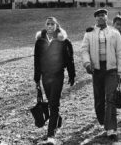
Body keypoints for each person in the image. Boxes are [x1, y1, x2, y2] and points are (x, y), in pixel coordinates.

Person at [81, 9, 121, 139]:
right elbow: (84, 50)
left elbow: (119, 52)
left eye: (103, 15)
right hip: (97, 70)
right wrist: (87, 63)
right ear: (95, 19)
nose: (101, 18)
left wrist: (120, 70)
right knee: (99, 98)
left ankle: (111, 128)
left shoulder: (114, 32)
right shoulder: (89, 33)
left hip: (111, 69)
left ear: (107, 17)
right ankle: (102, 119)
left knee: (110, 97)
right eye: (98, 16)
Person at [34, 17, 75, 145]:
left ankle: (50, 136)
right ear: (45, 26)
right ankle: (57, 120)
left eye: (52, 24)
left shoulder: (63, 40)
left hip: (58, 76)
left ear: (57, 26)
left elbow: (69, 59)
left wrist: (72, 74)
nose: (50, 26)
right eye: (48, 24)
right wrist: (37, 78)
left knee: (54, 104)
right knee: (51, 102)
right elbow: (36, 60)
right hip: (45, 76)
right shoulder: (39, 41)